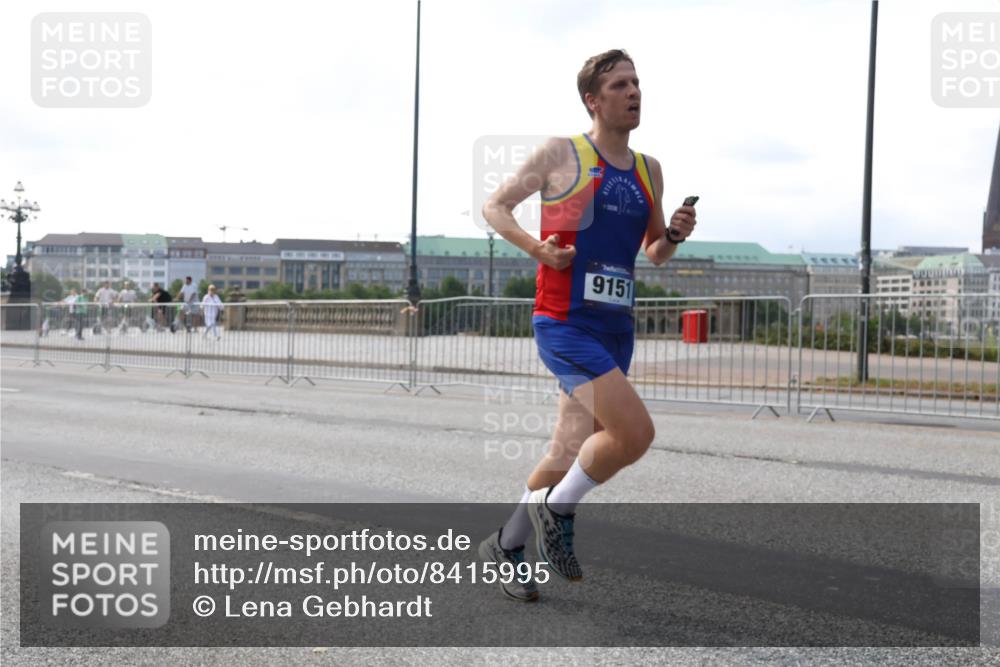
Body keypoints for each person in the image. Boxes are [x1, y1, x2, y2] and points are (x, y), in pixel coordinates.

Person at [478, 49, 697, 601]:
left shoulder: (650, 169)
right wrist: (538, 249)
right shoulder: (563, 153)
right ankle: (559, 510)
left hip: (616, 327)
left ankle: (506, 543)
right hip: (564, 321)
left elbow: (652, 254)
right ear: (593, 100)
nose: (634, 92)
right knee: (632, 434)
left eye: (638, 83)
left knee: (564, 450)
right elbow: (496, 207)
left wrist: (672, 234)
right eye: (621, 85)